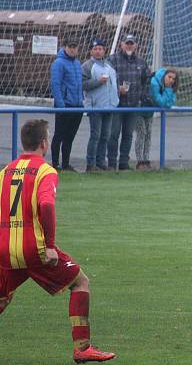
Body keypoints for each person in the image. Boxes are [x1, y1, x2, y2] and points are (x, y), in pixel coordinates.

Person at [0, 119, 116, 363]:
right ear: (44, 143)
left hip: (5, 250)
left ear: (23, 142)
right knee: (80, 283)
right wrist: (50, 245)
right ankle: (82, 348)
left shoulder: (4, 172)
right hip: (36, 250)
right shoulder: (45, 171)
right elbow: (46, 204)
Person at [107, 34, 150, 171]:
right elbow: (107, 80)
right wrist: (117, 89)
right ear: (121, 44)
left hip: (133, 106)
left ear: (136, 45)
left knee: (128, 135)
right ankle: (112, 163)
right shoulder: (112, 60)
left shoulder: (141, 62)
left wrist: (141, 96)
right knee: (113, 134)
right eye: (127, 43)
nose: (129, 46)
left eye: (131, 43)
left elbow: (146, 81)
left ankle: (124, 163)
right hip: (117, 105)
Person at [82, 39, 118, 172]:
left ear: (104, 50)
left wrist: (116, 99)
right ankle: (90, 164)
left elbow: (113, 86)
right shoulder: (87, 66)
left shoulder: (109, 67)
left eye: (100, 49)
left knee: (105, 136)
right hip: (95, 106)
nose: (98, 51)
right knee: (95, 136)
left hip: (109, 106)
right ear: (91, 51)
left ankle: (101, 162)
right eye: (95, 49)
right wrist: (98, 81)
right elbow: (83, 84)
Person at [49, 36, 84, 172]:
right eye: (70, 46)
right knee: (59, 135)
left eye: (75, 47)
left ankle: (66, 164)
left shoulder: (77, 63)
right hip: (66, 105)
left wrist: (81, 101)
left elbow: (79, 84)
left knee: (70, 136)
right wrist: (61, 104)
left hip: (77, 106)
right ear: (64, 47)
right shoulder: (59, 63)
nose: (73, 49)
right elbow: (55, 84)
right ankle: (55, 163)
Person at [135, 68, 179, 170]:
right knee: (142, 133)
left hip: (149, 112)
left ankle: (146, 160)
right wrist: (168, 90)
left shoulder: (168, 86)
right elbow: (161, 102)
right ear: (165, 76)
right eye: (169, 77)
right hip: (139, 110)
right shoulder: (154, 83)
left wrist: (168, 90)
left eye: (173, 79)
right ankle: (140, 161)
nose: (171, 80)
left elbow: (170, 102)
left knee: (148, 135)